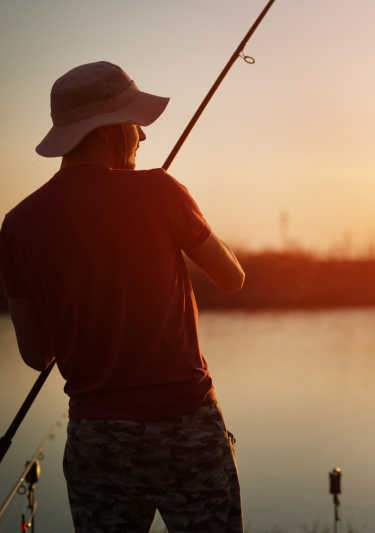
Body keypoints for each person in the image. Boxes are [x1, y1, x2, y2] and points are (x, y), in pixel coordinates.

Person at [0, 61, 246, 532]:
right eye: (136, 124)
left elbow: (36, 355)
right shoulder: (161, 191)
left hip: (98, 439)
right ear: (109, 132)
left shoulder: (18, 224)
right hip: (186, 429)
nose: (144, 137)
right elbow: (232, 278)